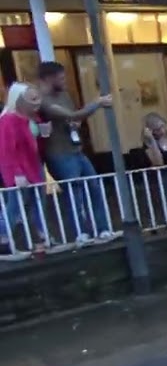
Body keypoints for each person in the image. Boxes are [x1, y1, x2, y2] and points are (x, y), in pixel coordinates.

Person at [35, 61, 114, 243]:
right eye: (61, 78)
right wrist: (98, 102)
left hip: (76, 149)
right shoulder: (43, 101)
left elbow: (72, 118)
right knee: (74, 192)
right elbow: (71, 115)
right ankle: (81, 232)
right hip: (59, 153)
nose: (64, 81)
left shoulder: (64, 95)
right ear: (48, 78)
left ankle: (102, 228)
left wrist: (75, 124)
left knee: (94, 187)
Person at [0, 82, 50, 255]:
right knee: (15, 205)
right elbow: (6, 150)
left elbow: (35, 143)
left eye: (38, 98)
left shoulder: (32, 119)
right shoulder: (8, 120)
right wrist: (16, 173)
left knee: (36, 202)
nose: (37, 102)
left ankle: (41, 237)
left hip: (34, 165)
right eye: (33, 99)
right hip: (18, 167)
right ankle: (3, 237)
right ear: (20, 100)